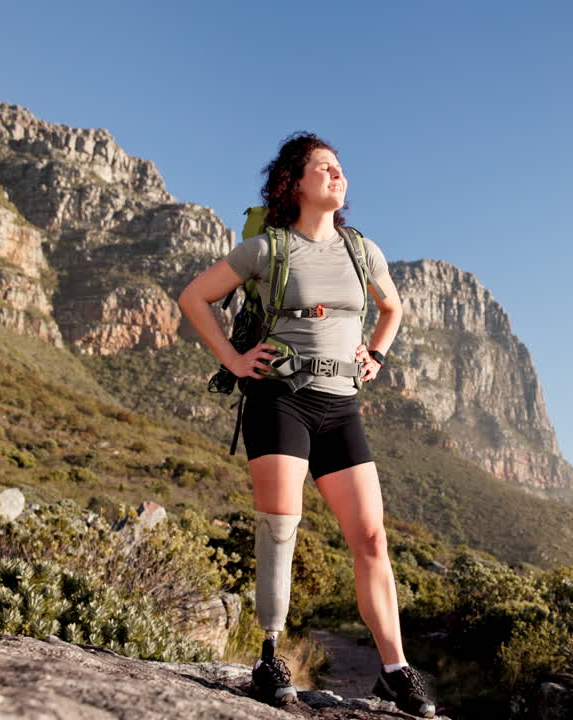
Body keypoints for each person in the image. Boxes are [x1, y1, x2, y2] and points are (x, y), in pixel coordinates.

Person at [176, 132, 435, 718]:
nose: (337, 175)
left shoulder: (361, 250)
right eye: (324, 168)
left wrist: (378, 354)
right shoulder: (266, 250)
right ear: (293, 183)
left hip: (341, 404)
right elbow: (195, 298)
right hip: (280, 399)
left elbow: (392, 308)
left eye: (340, 168)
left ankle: (394, 670)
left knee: (371, 537)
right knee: (280, 528)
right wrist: (237, 362)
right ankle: (270, 655)